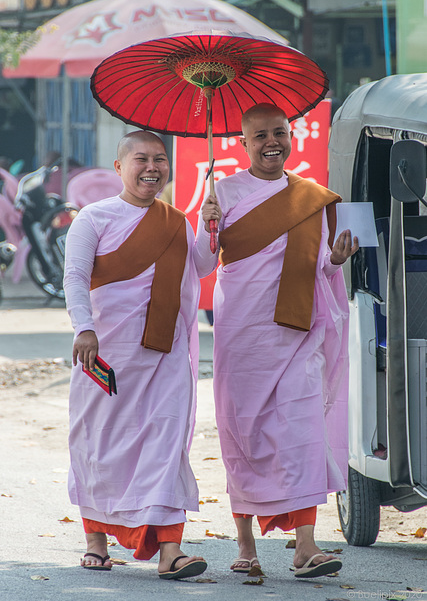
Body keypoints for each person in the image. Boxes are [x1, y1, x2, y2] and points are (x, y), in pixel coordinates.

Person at [195, 103, 358, 579]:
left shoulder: (314, 198)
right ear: (242, 143)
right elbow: (203, 267)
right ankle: (245, 543)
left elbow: (322, 270)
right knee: (242, 432)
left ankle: (306, 546)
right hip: (241, 334)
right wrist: (206, 225)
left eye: (280, 133)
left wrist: (337, 259)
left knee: (301, 431)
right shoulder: (221, 193)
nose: (272, 142)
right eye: (261, 135)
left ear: (293, 137)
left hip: (298, 333)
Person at [63, 130, 207, 580]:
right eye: (141, 159)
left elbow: (199, 267)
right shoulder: (93, 217)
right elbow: (74, 276)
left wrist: (211, 227)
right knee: (99, 442)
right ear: (119, 167)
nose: (152, 168)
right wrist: (83, 329)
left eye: (160, 159)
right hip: (105, 353)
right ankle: (96, 541)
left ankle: (170, 550)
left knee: (167, 444)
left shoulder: (177, 220)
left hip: (164, 353)